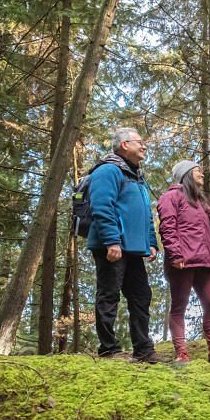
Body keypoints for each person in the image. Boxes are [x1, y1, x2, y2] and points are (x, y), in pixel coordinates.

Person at [87, 127, 159, 362]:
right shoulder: (108, 170)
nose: (144, 146)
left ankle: (144, 350)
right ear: (125, 145)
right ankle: (109, 349)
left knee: (141, 296)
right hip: (113, 246)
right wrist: (112, 241)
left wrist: (151, 242)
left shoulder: (136, 176)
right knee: (109, 295)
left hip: (134, 249)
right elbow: (102, 206)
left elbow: (146, 213)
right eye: (140, 142)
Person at [156, 160, 210, 364]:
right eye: (198, 171)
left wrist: (208, 241)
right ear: (187, 174)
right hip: (182, 262)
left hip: (205, 262)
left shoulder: (201, 203)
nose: (202, 175)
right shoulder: (170, 197)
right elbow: (167, 228)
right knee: (180, 305)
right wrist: (175, 255)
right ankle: (182, 353)